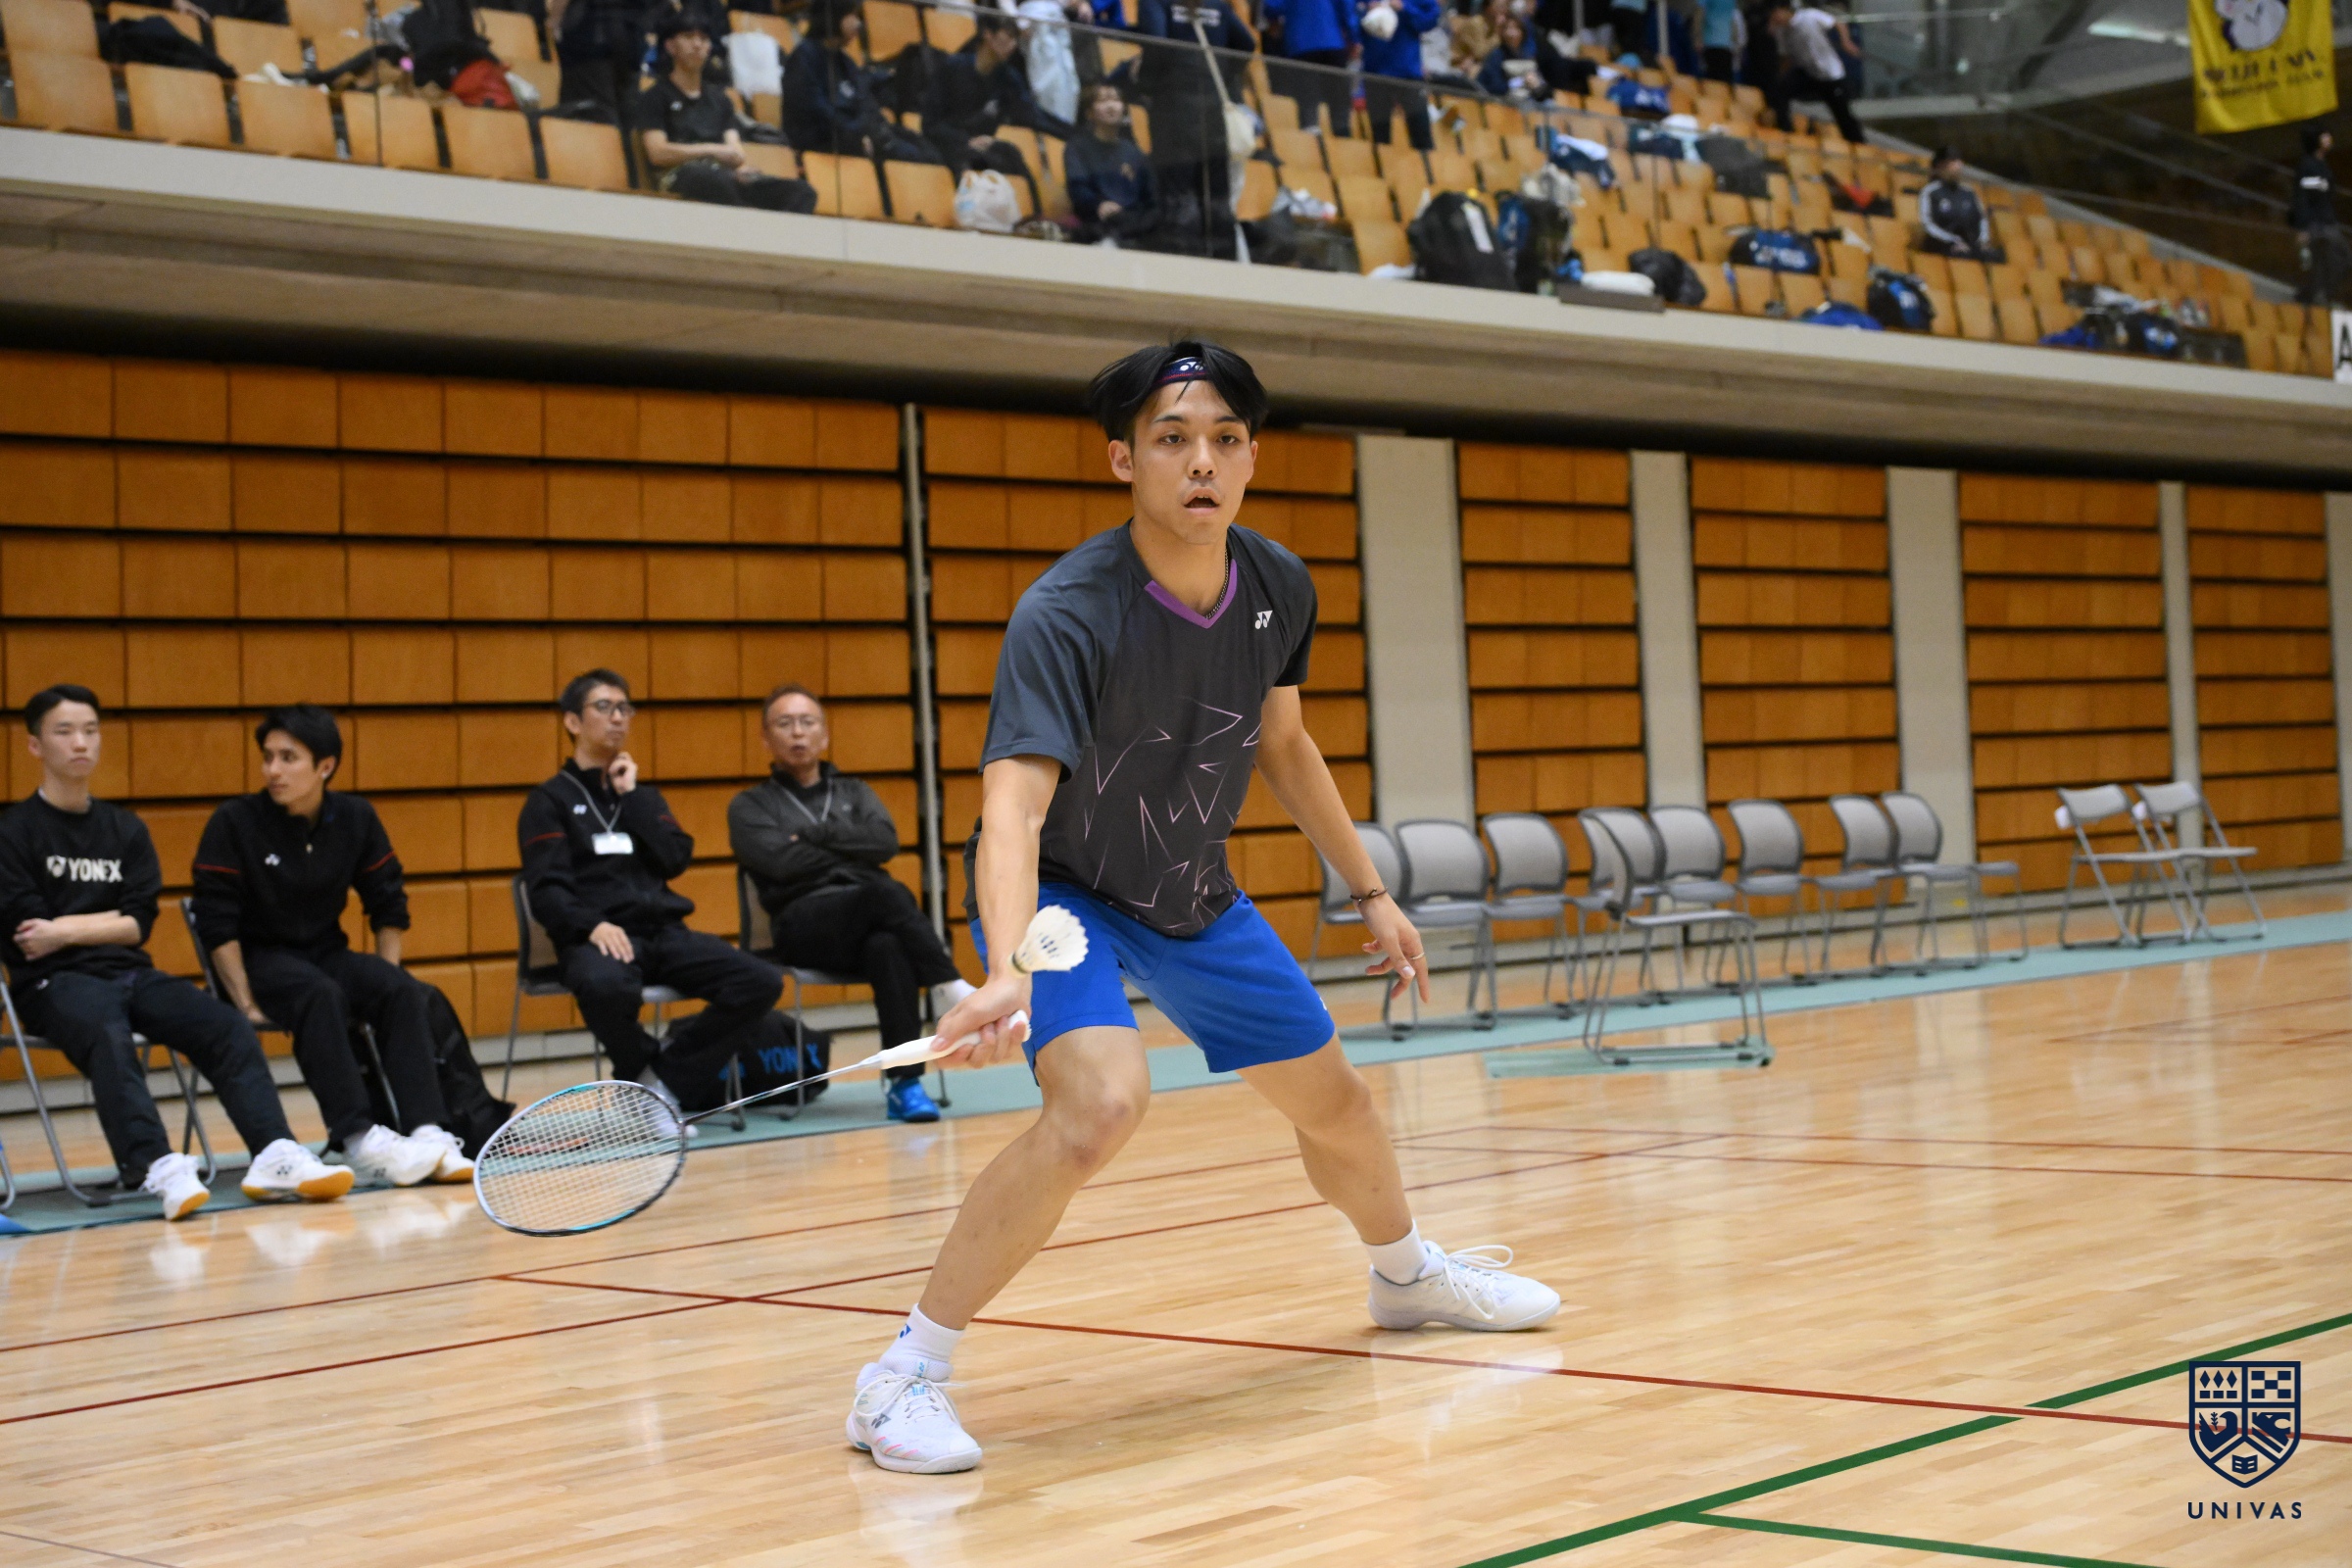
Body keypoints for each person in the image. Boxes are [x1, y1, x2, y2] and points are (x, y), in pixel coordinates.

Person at [842, 342, 1559, 1476]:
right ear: (1124, 460)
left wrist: (1371, 891)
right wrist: (1010, 969)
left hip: (1189, 887)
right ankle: (902, 1374)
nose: (1202, 462)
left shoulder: (1276, 585)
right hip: (1069, 896)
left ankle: (1407, 1277)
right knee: (1099, 1106)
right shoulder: (1067, 612)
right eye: (1173, 439)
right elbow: (1013, 806)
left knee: (1341, 1106)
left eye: (1225, 439)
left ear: (1252, 457)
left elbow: (1284, 741)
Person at [0, 686, 352, 1219]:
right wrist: (103, 926)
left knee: (223, 1024)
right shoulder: (13, 832)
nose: (81, 743)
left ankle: (275, 1152)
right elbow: (31, 935)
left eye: (90, 730)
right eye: (64, 732)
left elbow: (137, 925)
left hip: (130, 973)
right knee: (107, 1033)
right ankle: (155, 1165)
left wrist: (66, 927)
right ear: (34, 745)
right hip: (53, 983)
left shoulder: (126, 829)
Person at [190, 707, 471, 1189]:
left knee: (401, 988)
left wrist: (385, 980)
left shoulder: (355, 817)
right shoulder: (234, 821)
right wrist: (245, 1002)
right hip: (260, 962)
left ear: (325, 766)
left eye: (288, 758)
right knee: (318, 994)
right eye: (268, 757)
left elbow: (388, 901)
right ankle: (358, 1138)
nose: (273, 770)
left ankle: (428, 1131)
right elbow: (215, 924)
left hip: (324, 953)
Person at [518, 670, 784, 1109]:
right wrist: (592, 926)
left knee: (760, 980)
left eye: (625, 709)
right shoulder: (549, 801)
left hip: (663, 933)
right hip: (597, 937)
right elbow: (546, 888)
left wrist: (634, 796)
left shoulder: (640, 797)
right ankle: (645, 1079)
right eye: (604, 708)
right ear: (572, 722)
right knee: (604, 986)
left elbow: (674, 858)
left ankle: (661, 1082)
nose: (617, 718)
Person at [729, 685, 974, 1124]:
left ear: (824, 734)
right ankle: (948, 986)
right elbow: (780, 863)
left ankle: (905, 1085)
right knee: (885, 892)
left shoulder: (856, 792)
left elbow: (884, 842)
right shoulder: (750, 806)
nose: (797, 732)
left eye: (807, 722)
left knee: (888, 945)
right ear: (765, 738)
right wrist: (849, 851)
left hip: (862, 922)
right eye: (785, 724)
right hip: (801, 926)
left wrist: (813, 836)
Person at [634, 16, 819, 212]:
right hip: (680, 175)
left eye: (703, 39)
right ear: (670, 46)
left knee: (801, 192)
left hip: (724, 175)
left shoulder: (720, 100)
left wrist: (739, 166)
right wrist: (711, 150)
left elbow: (735, 151)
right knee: (715, 182)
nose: (697, 44)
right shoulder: (655, 96)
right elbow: (657, 153)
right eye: (688, 37)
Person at [1132, 0, 1254, 258]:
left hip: (1173, 108)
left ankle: (1181, 260)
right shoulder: (1217, 5)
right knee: (1216, 194)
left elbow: (1157, 42)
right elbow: (1246, 43)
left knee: (1177, 190)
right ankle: (1223, 264)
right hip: (1213, 110)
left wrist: (1146, 83)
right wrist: (1222, 75)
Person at [922, 12, 1076, 184]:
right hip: (948, 146)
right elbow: (930, 124)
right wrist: (965, 140)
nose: (1013, 45)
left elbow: (1034, 116)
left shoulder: (1008, 79)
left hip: (984, 150)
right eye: (1009, 36)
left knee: (1012, 157)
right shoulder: (952, 68)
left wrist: (1076, 135)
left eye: (1016, 39)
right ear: (988, 34)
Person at [782, 0, 939, 164]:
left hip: (857, 134)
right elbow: (817, 112)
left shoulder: (845, 62)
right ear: (835, 16)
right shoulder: (804, 58)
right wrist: (858, 134)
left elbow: (865, 104)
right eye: (852, 15)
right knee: (915, 158)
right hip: (825, 141)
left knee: (929, 151)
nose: (858, 24)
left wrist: (869, 130)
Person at [1065, 80, 1160, 244]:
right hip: (1099, 225)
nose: (1111, 106)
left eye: (1116, 100)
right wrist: (1099, 205)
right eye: (1102, 101)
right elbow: (1078, 188)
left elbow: (1151, 197)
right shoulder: (1077, 148)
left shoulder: (1134, 152)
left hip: (1133, 225)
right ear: (1089, 113)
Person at [1766, 0, 1862, 145]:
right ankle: (1786, 132)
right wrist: (1781, 76)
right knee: (1781, 92)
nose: (1774, 18)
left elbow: (1837, 24)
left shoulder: (1809, 16)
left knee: (1843, 115)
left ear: (1784, 10)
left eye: (1775, 13)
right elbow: (1785, 57)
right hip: (1808, 73)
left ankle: (1858, 144)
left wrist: (1845, 41)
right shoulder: (1782, 31)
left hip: (1829, 75)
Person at [1263, 0, 1355, 138]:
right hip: (1332, 40)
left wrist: (1273, 20)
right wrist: (1354, 38)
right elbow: (1347, 9)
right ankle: (1343, 137)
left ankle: (1311, 134)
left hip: (1301, 42)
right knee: (1338, 100)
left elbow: (1272, 6)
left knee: (1307, 97)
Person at [1357, 0, 1440, 151]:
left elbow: (1430, 19)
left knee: (1421, 133)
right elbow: (1351, 18)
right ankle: (1381, 166)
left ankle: (1425, 165)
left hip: (1408, 73)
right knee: (1379, 136)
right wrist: (1367, 12)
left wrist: (1404, 8)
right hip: (1375, 72)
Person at [2289, 124, 2345, 308]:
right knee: (2323, 261)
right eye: (2324, 135)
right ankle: (2315, 297)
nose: (2329, 138)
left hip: (2327, 220)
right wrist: (2302, 227)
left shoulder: (2322, 165)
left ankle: (2315, 295)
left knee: (2339, 260)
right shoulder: (2308, 165)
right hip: (2316, 223)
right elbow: (2303, 197)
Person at [1917, 146, 1998, 262]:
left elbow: (1981, 219)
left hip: (1969, 244)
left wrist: (1982, 241)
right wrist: (1953, 241)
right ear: (1941, 166)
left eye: (1959, 161)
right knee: (1961, 255)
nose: (1958, 166)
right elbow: (1927, 223)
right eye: (1953, 161)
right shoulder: (1930, 191)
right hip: (1942, 245)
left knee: (1993, 256)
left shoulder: (1969, 192)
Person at [1697, 0, 1740, 80]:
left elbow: (1699, 17)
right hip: (1722, 45)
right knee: (1722, 78)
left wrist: (1698, 39)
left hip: (1713, 44)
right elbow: (1733, 22)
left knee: (1714, 79)